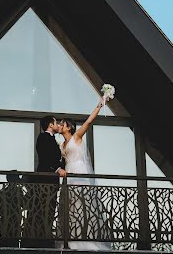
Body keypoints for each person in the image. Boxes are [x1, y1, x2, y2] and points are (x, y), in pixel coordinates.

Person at [59, 98, 111, 250]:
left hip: (80, 170)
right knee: (71, 206)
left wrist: (99, 106)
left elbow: (88, 122)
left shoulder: (77, 137)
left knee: (83, 204)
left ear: (69, 127)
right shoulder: (61, 144)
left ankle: (86, 238)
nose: (61, 126)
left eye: (62, 124)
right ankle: (72, 238)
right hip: (69, 174)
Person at [22, 116, 66, 247]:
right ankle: (38, 239)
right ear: (50, 125)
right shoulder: (43, 138)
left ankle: (46, 237)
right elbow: (45, 156)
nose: (57, 124)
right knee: (42, 208)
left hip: (52, 182)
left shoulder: (53, 139)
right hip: (44, 181)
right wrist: (58, 169)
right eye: (56, 122)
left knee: (50, 208)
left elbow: (55, 157)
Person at [0, 171, 26, 247]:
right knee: (14, 241)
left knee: (5, 242)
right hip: (15, 219)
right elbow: (23, 204)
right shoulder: (18, 191)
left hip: (5, 219)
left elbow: (0, 209)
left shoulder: (3, 191)